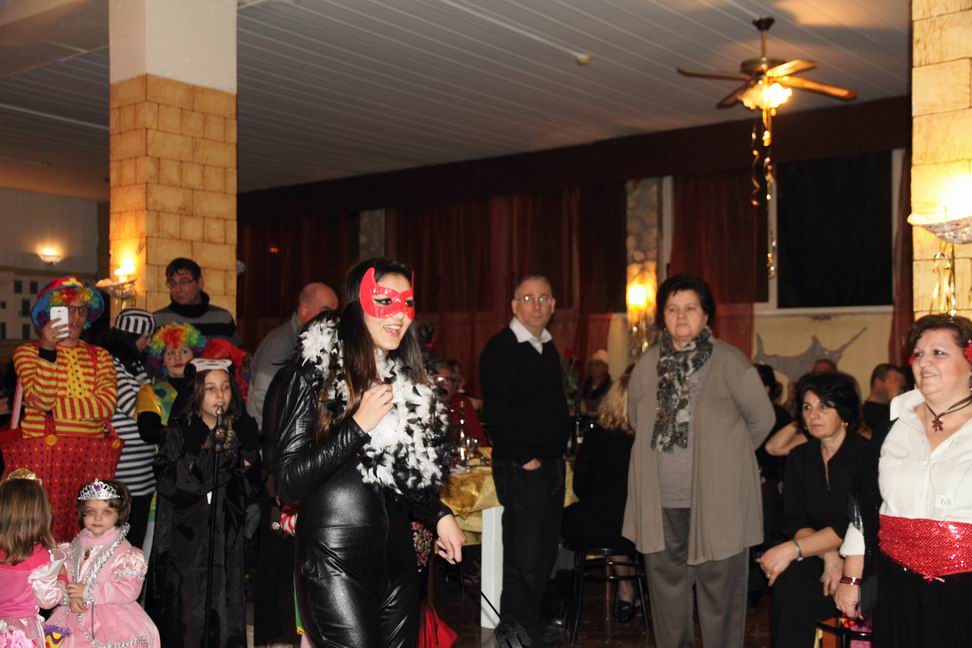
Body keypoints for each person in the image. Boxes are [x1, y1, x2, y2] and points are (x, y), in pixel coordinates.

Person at [272, 257, 464, 648]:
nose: (399, 314)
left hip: (397, 561)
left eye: (407, 303)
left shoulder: (406, 383)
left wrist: (439, 514)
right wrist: (358, 426)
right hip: (334, 560)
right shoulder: (313, 372)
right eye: (384, 300)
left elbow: (400, 474)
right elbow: (287, 483)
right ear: (357, 304)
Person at [622, 273, 774, 648]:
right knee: (667, 597)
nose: (681, 316)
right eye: (672, 308)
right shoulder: (648, 364)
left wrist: (728, 460)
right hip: (660, 502)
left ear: (706, 315)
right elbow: (635, 418)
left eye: (690, 308)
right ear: (662, 317)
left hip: (719, 502)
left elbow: (762, 419)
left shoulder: (730, 362)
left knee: (720, 595)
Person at [835, 314, 972, 646]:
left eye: (938, 353)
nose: (924, 362)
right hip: (897, 582)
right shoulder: (895, 423)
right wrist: (851, 577)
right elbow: (866, 502)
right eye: (918, 353)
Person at [479, 274, 572, 645]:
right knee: (524, 552)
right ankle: (514, 631)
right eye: (528, 298)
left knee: (545, 550)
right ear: (514, 305)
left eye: (543, 298)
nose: (537, 305)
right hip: (522, 466)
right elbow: (497, 411)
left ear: (553, 306)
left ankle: (530, 625)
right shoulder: (501, 348)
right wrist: (526, 458)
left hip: (550, 463)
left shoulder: (546, 346)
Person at [145, 358, 261, 647]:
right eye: (210, 388)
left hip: (225, 537)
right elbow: (170, 482)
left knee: (223, 604)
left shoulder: (238, 431)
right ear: (196, 392)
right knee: (188, 611)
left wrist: (245, 456)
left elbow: (251, 487)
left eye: (225, 387)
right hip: (187, 540)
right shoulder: (180, 431)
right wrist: (199, 454)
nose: (220, 395)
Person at [757, 372, 869, 647]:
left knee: (791, 561)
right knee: (792, 580)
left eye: (824, 406)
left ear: (843, 412)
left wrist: (794, 549)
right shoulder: (800, 456)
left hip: (861, 553)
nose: (813, 415)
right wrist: (828, 555)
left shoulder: (866, 454)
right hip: (815, 551)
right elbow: (793, 518)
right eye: (807, 407)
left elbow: (856, 522)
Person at [12, 276, 117, 541]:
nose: (75, 316)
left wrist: (53, 409)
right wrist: (48, 350)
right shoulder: (27, 353)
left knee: (88, 533)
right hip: (42, 456)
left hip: (90, 457)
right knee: (40, 530)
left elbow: (106, 405)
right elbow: (42, 398)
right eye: (67, 309)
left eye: (81, 309)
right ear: (50, 313)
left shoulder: (101, 356)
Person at [561, 369, 638, 622]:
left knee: (555, 520)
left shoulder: (596, 437)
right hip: (635, 527)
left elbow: (580, 486)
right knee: (620, 522)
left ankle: (561, 602)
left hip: (593, 524)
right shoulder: (645, 441)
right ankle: (630, 589)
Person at [45, 478, 160, 647]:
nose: (97, 517)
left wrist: (88, 591)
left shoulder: (125, 553)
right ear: (82, 513)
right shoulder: (72, 547)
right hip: (71, 615)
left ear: (119, 514)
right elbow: (64, 579)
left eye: (106, 512)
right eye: (90, 511)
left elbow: (128, 590)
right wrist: (70, 597)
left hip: (112, 619)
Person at [98, 308, 156, 549]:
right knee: (125, 536)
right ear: (130, 337)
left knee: (137, 533)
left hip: (143, 468)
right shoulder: (111, 366)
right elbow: (137, 407)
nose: (148, 343)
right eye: (145, 337)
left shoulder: (135, 365)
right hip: (127, 468)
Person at [247, 282, 338, 430]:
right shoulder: (280, 343)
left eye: (335, 313)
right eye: (325, 311)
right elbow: (262, 397)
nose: (332, 319)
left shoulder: (322, 342)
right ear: (304, 309)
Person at [0, 469, 65, 647]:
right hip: (20, 634)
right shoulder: (38, 554)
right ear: (40, 515)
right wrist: (62, 578)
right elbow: (48, 599)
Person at [136, 322, 206, 446]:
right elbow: (149, 432)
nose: (177, 358)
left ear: (194, 355)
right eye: (170, 353)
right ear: (162, 360)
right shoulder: (150, 392)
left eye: (184, 351)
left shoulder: (207, 388)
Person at [153, 257, 239, 344]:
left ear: (200, 282)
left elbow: (236, 351)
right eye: (172, 283)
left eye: (184, 282)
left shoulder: (223, 319)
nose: (177, 289)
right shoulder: (157, 321)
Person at [431, 361, 489, 447]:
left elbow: (479, 441)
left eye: (446, 380)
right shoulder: (422, 406)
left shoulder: (461, 404)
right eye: (436, 379)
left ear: (453, 386)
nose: (441, 385)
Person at [861, 363, 906, 439]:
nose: (899, 387)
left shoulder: (898, 410)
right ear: (878, 381)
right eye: (894, 380)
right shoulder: (862, 414)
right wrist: (894, 399)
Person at [579, 349, 612, 413]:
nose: (593, 367)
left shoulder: (611, 387)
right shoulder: (584, 384)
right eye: (591, 364)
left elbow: (606, 407)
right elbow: (578, 403)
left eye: (597, 365)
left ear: (606, 368)